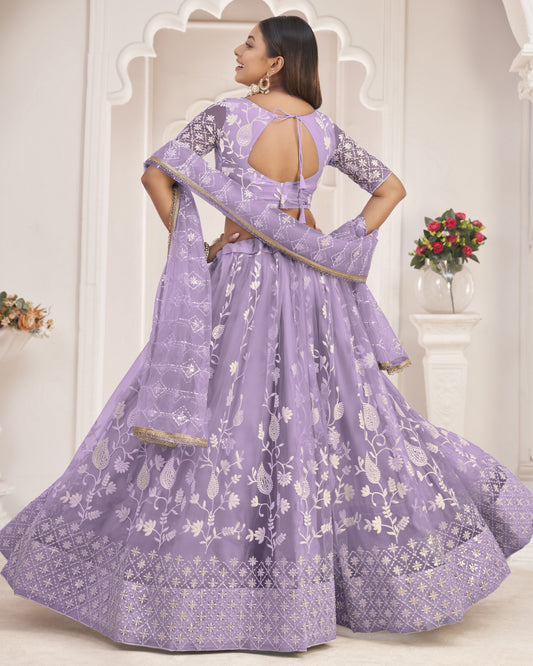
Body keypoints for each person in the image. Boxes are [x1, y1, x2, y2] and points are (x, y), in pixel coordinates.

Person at [1, 15, 532, 654]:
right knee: (325, 415)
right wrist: (338, 243)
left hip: (242, 278)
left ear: (276, 61)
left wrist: (199, 244)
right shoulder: (324, 129)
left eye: (249, 43)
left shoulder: (226, 116)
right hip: (314, 286)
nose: (239, 49)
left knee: (222, 409)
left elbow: (156, 173)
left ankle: (194, 590)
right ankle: (313, 589)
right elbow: (390, 189)